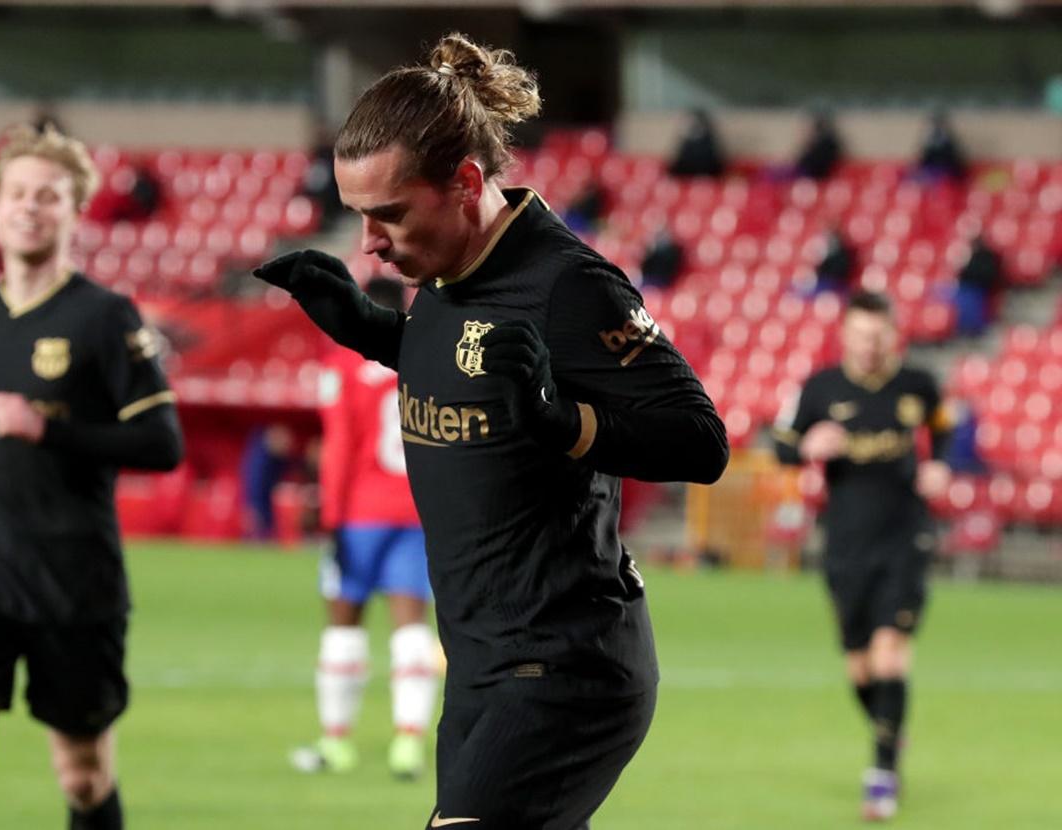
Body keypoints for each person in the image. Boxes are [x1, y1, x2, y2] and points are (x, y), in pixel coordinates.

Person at [254, 32, 728, 830]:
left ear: (466, 181)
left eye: (389, 214)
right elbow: (473, 371)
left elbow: (699, 441)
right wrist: (375, 332)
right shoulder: (442, 272)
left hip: (567, 665)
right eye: (360, 217)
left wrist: (561, 420)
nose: (371, 241)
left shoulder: (569, 286)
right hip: (478, 665)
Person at [0, 123, 184, 830]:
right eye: (18, 193)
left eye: (48, 196)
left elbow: (161, 443)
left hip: (73, 578)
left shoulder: (106, 317)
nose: (30, 207)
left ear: (72, 213)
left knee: (83, 781)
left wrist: (48, 429)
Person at [772, 290, 952, 822]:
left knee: (890, 652)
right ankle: (891, 730)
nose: (869, 346)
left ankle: (881, 775)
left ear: (892, 334)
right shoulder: (820, 388)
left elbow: (943, 425)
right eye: (859, 335)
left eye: (878, 336)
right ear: (845, 336)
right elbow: (782, 443)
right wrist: (807, 448)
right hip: (846, 543)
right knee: (859, 666)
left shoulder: (917, 385)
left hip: (905, 536)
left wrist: (940, 464)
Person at [289, 276, 438, 780]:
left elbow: (339, 448)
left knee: (344, 625)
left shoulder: (344, 366)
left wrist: (328, 515)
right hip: (417, 512)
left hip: (359, 516)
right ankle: (409, 744)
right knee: (412, 627)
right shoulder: (428, 362)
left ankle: (336, 744)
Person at [668, 107, 726, 178]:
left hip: (708, 176)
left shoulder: (708, 140)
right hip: (686, 177)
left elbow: (715, 164)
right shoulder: (686, 142)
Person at [794, 110, 842, 181]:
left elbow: (806, 161)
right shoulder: (825, 141)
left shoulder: (825, 142)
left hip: (818, 175)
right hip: (815, 174)